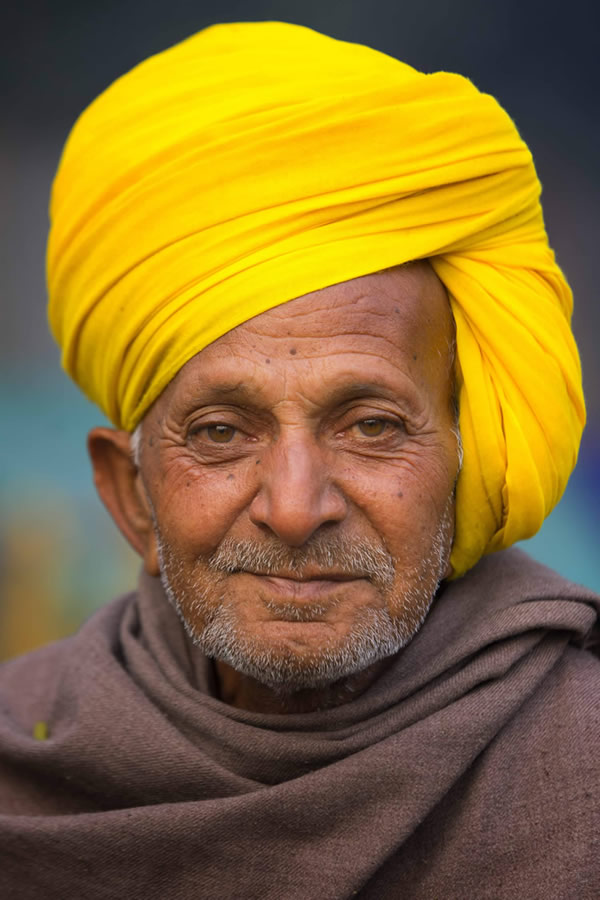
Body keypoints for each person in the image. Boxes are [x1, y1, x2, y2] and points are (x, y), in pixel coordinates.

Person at [1, 21, 598, 899]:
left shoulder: (581, 761)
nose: (293, 507)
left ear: (468, 464)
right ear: (131, 498)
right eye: (219, 433)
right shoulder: (23, 757)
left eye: (371, 426)